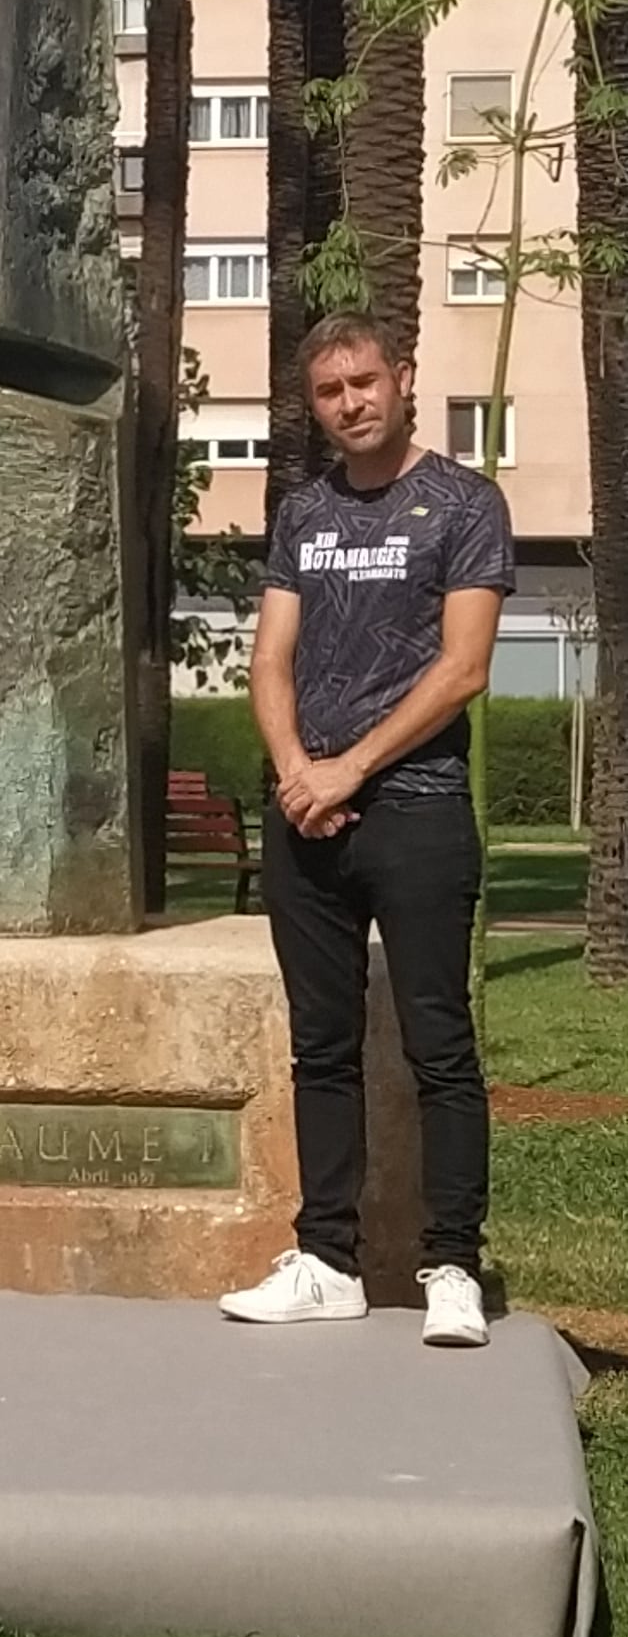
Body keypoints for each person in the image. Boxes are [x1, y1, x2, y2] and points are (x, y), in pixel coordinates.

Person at [221, 309, 514, 1350]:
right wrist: (299, 770)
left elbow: (461, 667)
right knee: (321, 1046)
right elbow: (268, 660)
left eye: (362, 383)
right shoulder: (301, 514)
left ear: (401, 377)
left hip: (418, 811)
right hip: (307, 817)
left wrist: (351, 764)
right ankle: (328, 1260)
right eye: (328, 392)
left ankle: (449, 1265)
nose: (349, 403)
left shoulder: (462, 504)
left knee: (438, 1044)